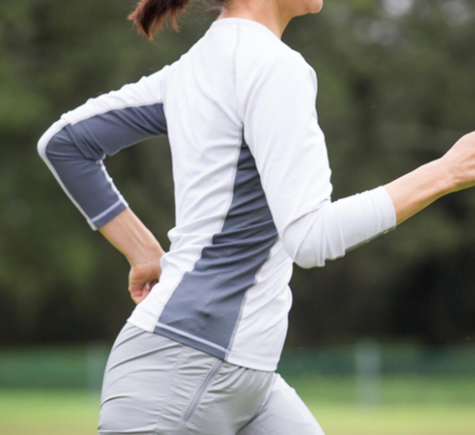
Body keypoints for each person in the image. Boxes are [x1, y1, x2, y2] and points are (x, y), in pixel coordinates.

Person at [37, 0, 475, 433]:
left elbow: (64, 142)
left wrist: (144, 253)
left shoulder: (195, 68)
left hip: (245, 380)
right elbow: (311, 237)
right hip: (181, 372)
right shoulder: (273, 66)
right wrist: (445, 172)